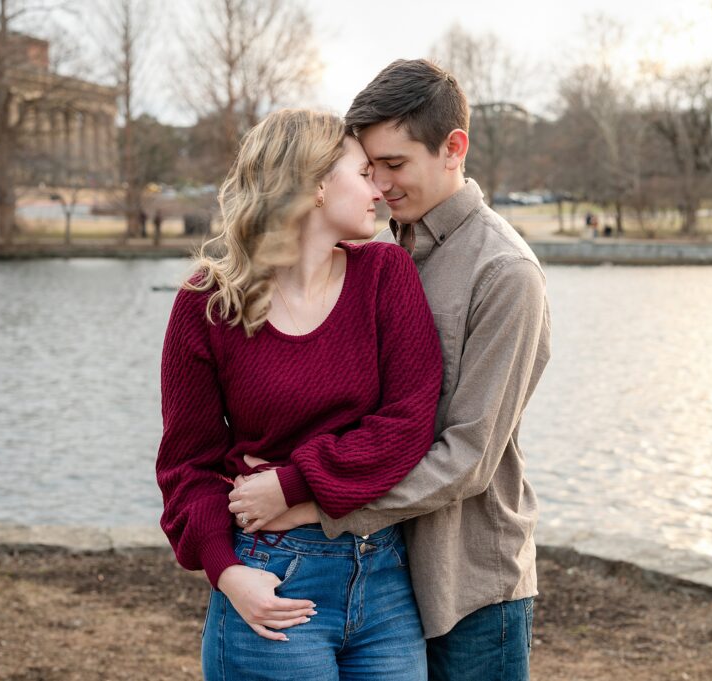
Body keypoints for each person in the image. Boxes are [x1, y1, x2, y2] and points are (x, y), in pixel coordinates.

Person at [232, 60, 552, 681]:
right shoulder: (375, 255)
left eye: (395, 165)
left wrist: (317, 505)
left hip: (469, 585)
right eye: (368, 165)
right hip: (376, 582)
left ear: (453, 148)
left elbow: (468, 456)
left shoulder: (504, 274)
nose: (378, 182)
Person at [156, 109, 443, 680]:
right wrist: (227, 573)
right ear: (314, 186)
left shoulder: (387, 274)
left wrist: (290, 481)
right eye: (363, 173)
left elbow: (408, 425)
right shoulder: (207, 303)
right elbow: (187, 465)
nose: (380, 189)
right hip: (272, 580)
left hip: (384, 579)